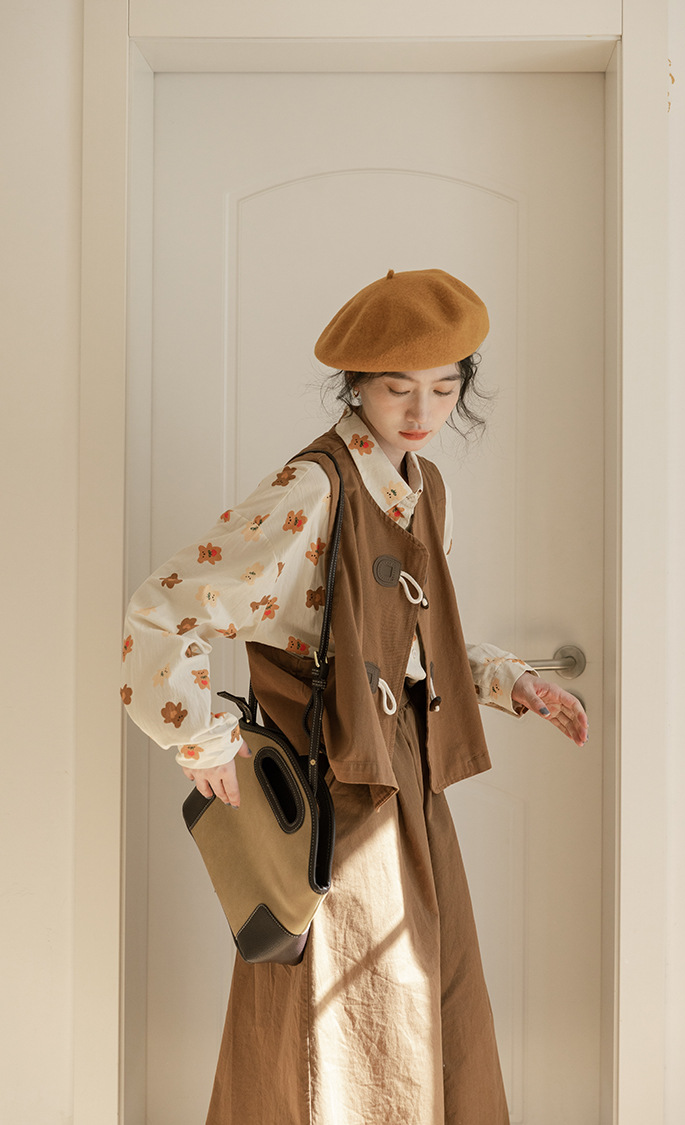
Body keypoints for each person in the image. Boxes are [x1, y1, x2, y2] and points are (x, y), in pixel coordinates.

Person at [122, 268, 588, 1124]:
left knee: (430, 1010)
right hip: (330, 792)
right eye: (398, 387)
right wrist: (201, 736)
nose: (422, 410)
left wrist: (509, 680)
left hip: (408, 789)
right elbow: (165, 605)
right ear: (357, 383)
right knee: (344, 1030)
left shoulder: (423, 486)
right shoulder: (315, 488)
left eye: (445, 386)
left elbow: (402, 640)